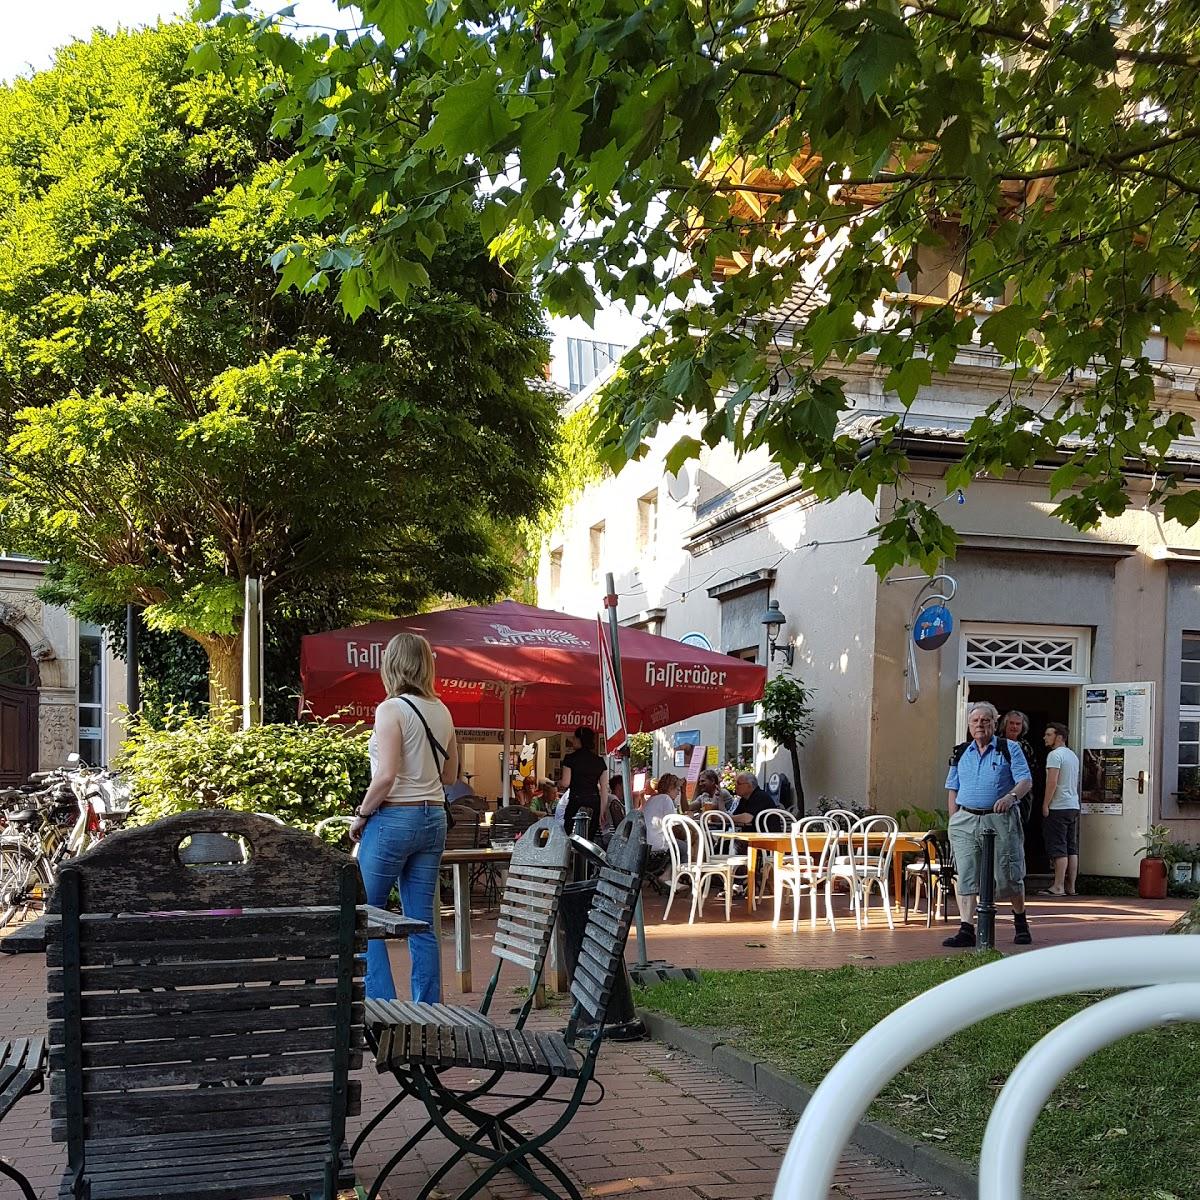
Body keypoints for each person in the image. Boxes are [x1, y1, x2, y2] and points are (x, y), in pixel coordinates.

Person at [350, 632, 457, 1002]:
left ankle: (381, 1010)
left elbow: (386, 776)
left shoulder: (390, 709)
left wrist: (361, 814)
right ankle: (427, 1013)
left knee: (363, 915)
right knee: (421, 921)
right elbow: (450, 776)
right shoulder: (442, 710)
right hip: (433, 819)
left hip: (394, 818)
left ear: (392, 664)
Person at [944, 701, 1033, 949]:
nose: (980, 725)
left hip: (1000, 819)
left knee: (1008, 873)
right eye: (976, 721)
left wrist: (1010, 797)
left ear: (995, 723)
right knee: (967, 874)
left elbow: (1025, 780)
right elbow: (952, 787)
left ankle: (1020, 920)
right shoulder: (961, 752)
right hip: (966, 819)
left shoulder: (1009, 748)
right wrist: (954, 820)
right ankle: (966, 929)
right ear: (970, 726)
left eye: (986, 720)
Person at [1040, 722, 1081, 898]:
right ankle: (1071, 886)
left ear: (1059, 737)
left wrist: (1045, 804)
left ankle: (1058, 886)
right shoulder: (1072, 755)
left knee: (1058, 847)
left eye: (1048, 734)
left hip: (1058, 806)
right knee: (1071, 848)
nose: (1045, 737)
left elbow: (1052, 781)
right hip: (1072, 805)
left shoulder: (1054, 756)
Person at [560, 726, 608, 836]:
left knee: (570, 836)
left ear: (579, 739)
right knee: (588, 839)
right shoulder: (599, 761)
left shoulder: (570, 758)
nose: (572, 740)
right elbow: (604, 788)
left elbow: (565, 783)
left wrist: (559, 782)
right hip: (593, 802)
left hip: (576, 802)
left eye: (574, 738)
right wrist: (602, 810)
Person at [640, 772, 681, 880]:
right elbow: (674, 825)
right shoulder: (666, 799)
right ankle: (670, 877)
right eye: (677, 789)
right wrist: (688, 818)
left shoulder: (653, 798)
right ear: (671, 788)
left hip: (646, 842)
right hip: (657, 845)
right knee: (685, 847)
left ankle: (670, 876)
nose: (678, 792)